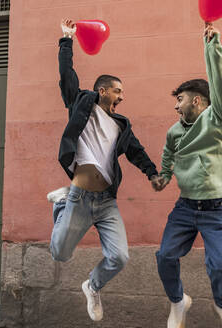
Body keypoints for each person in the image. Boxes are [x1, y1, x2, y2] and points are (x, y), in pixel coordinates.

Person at [47, 19, 162, 322]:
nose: (122, 97)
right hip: (80, 197)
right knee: (59, 253)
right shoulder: (81, 102)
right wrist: (66, 40)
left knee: (119, 257)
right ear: (102, 90)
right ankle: (61, 202)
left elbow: (136, 151)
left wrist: (152, 173)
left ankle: (92, 285)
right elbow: (66, 76)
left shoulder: (122, 125)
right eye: (118, 90)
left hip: (106, 201)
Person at [154, 23, 222, 328]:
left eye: (180, 99)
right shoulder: (174, 132)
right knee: (164, 256)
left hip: (216, 210)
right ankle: (178, 302)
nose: (176, 106)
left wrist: (212, 46)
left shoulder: (218, 118)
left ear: (196, 101)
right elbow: (168, 154)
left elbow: (221, 86)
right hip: (185, 207)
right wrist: (163, 175)